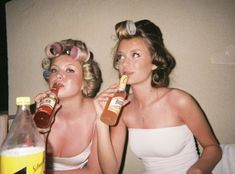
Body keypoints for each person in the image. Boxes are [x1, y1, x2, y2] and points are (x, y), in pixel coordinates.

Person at [95, 20, 222, 174]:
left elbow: (213, 148)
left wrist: (197, 170)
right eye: (120, 57)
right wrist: (100, 122)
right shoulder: (121, 107)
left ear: (154, 62)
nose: (125, 63)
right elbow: (110, 171)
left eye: (135, 55)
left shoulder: (179, 100)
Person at [34, 39, 102, 174]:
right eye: (54, 70)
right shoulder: (35, 112)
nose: (58, 75)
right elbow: (29, 164)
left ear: (85, 82)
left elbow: (95, 171)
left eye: (70, 70)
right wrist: (41, 130)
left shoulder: (97, 112)